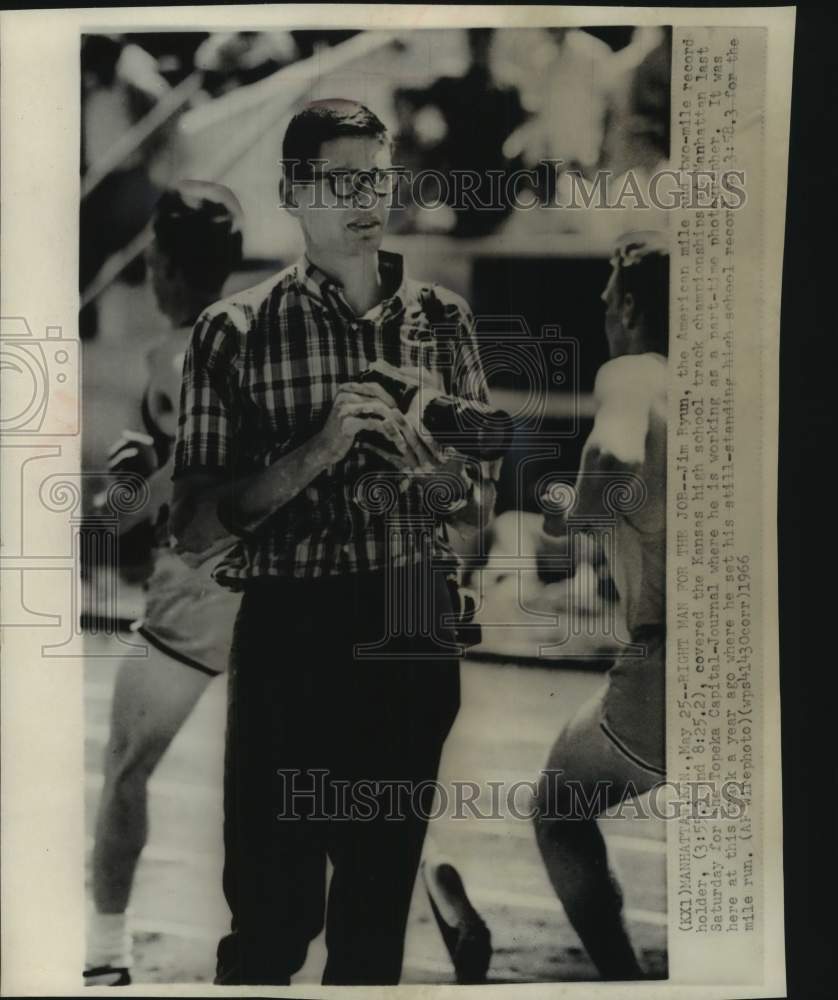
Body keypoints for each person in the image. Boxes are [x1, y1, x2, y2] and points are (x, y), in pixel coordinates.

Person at [171, 99, 499, 986]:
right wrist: (317, 449)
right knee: (270, 927)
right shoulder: (233, 332)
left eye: (377, 178)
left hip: (411, 621)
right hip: (291, 632)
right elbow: (193, 528)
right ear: (293, 192)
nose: (366, 198)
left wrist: (438, 480)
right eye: (342, 180)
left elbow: (473, 520)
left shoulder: (446, 322)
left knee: (369, 933)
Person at [84, 182, 245, 986]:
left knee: (125, 766)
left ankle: (106, 950)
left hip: (196, 596)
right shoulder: (256, 339)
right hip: (278, 590)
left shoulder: (175, 356)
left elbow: (190, 483)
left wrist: (123, 497)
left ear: (164, 265)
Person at [532, 231, 668, 979]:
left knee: (559, 810)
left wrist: (576, 512)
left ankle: (625, 983)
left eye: (606, 301)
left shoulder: (633, 370)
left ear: (627, 303)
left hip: (667, 664)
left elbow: (613, 456)